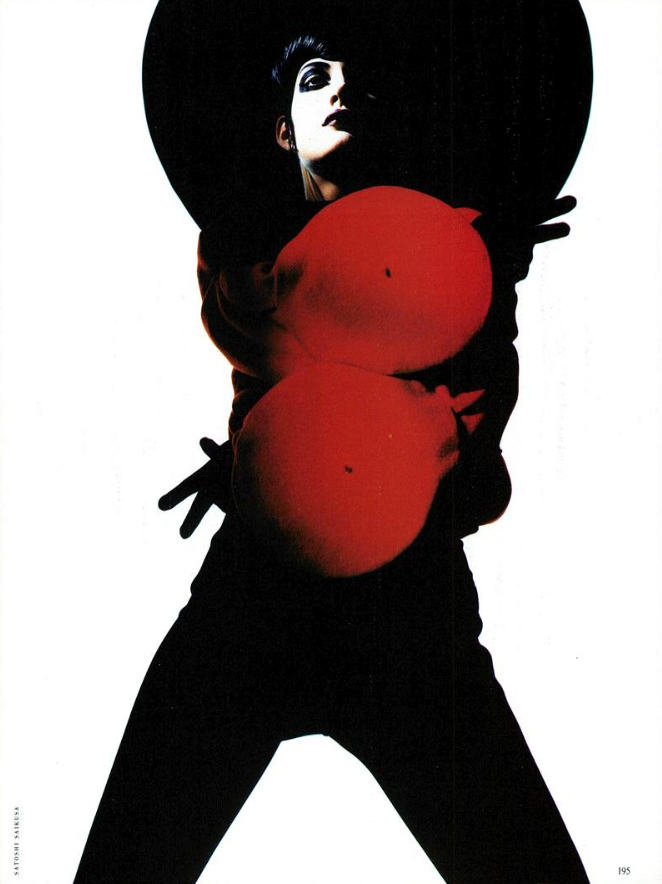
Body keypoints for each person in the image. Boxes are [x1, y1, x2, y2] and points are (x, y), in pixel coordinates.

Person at [74, 31, 591, 884]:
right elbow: (295, 323)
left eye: (362, 82)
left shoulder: (461, 259)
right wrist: (261, 459)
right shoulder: (244, 261)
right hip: (253, 604)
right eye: (317, 78)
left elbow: (469, 436)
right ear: (283, 128)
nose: (343, 91)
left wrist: (482, 274)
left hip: (409, 614)